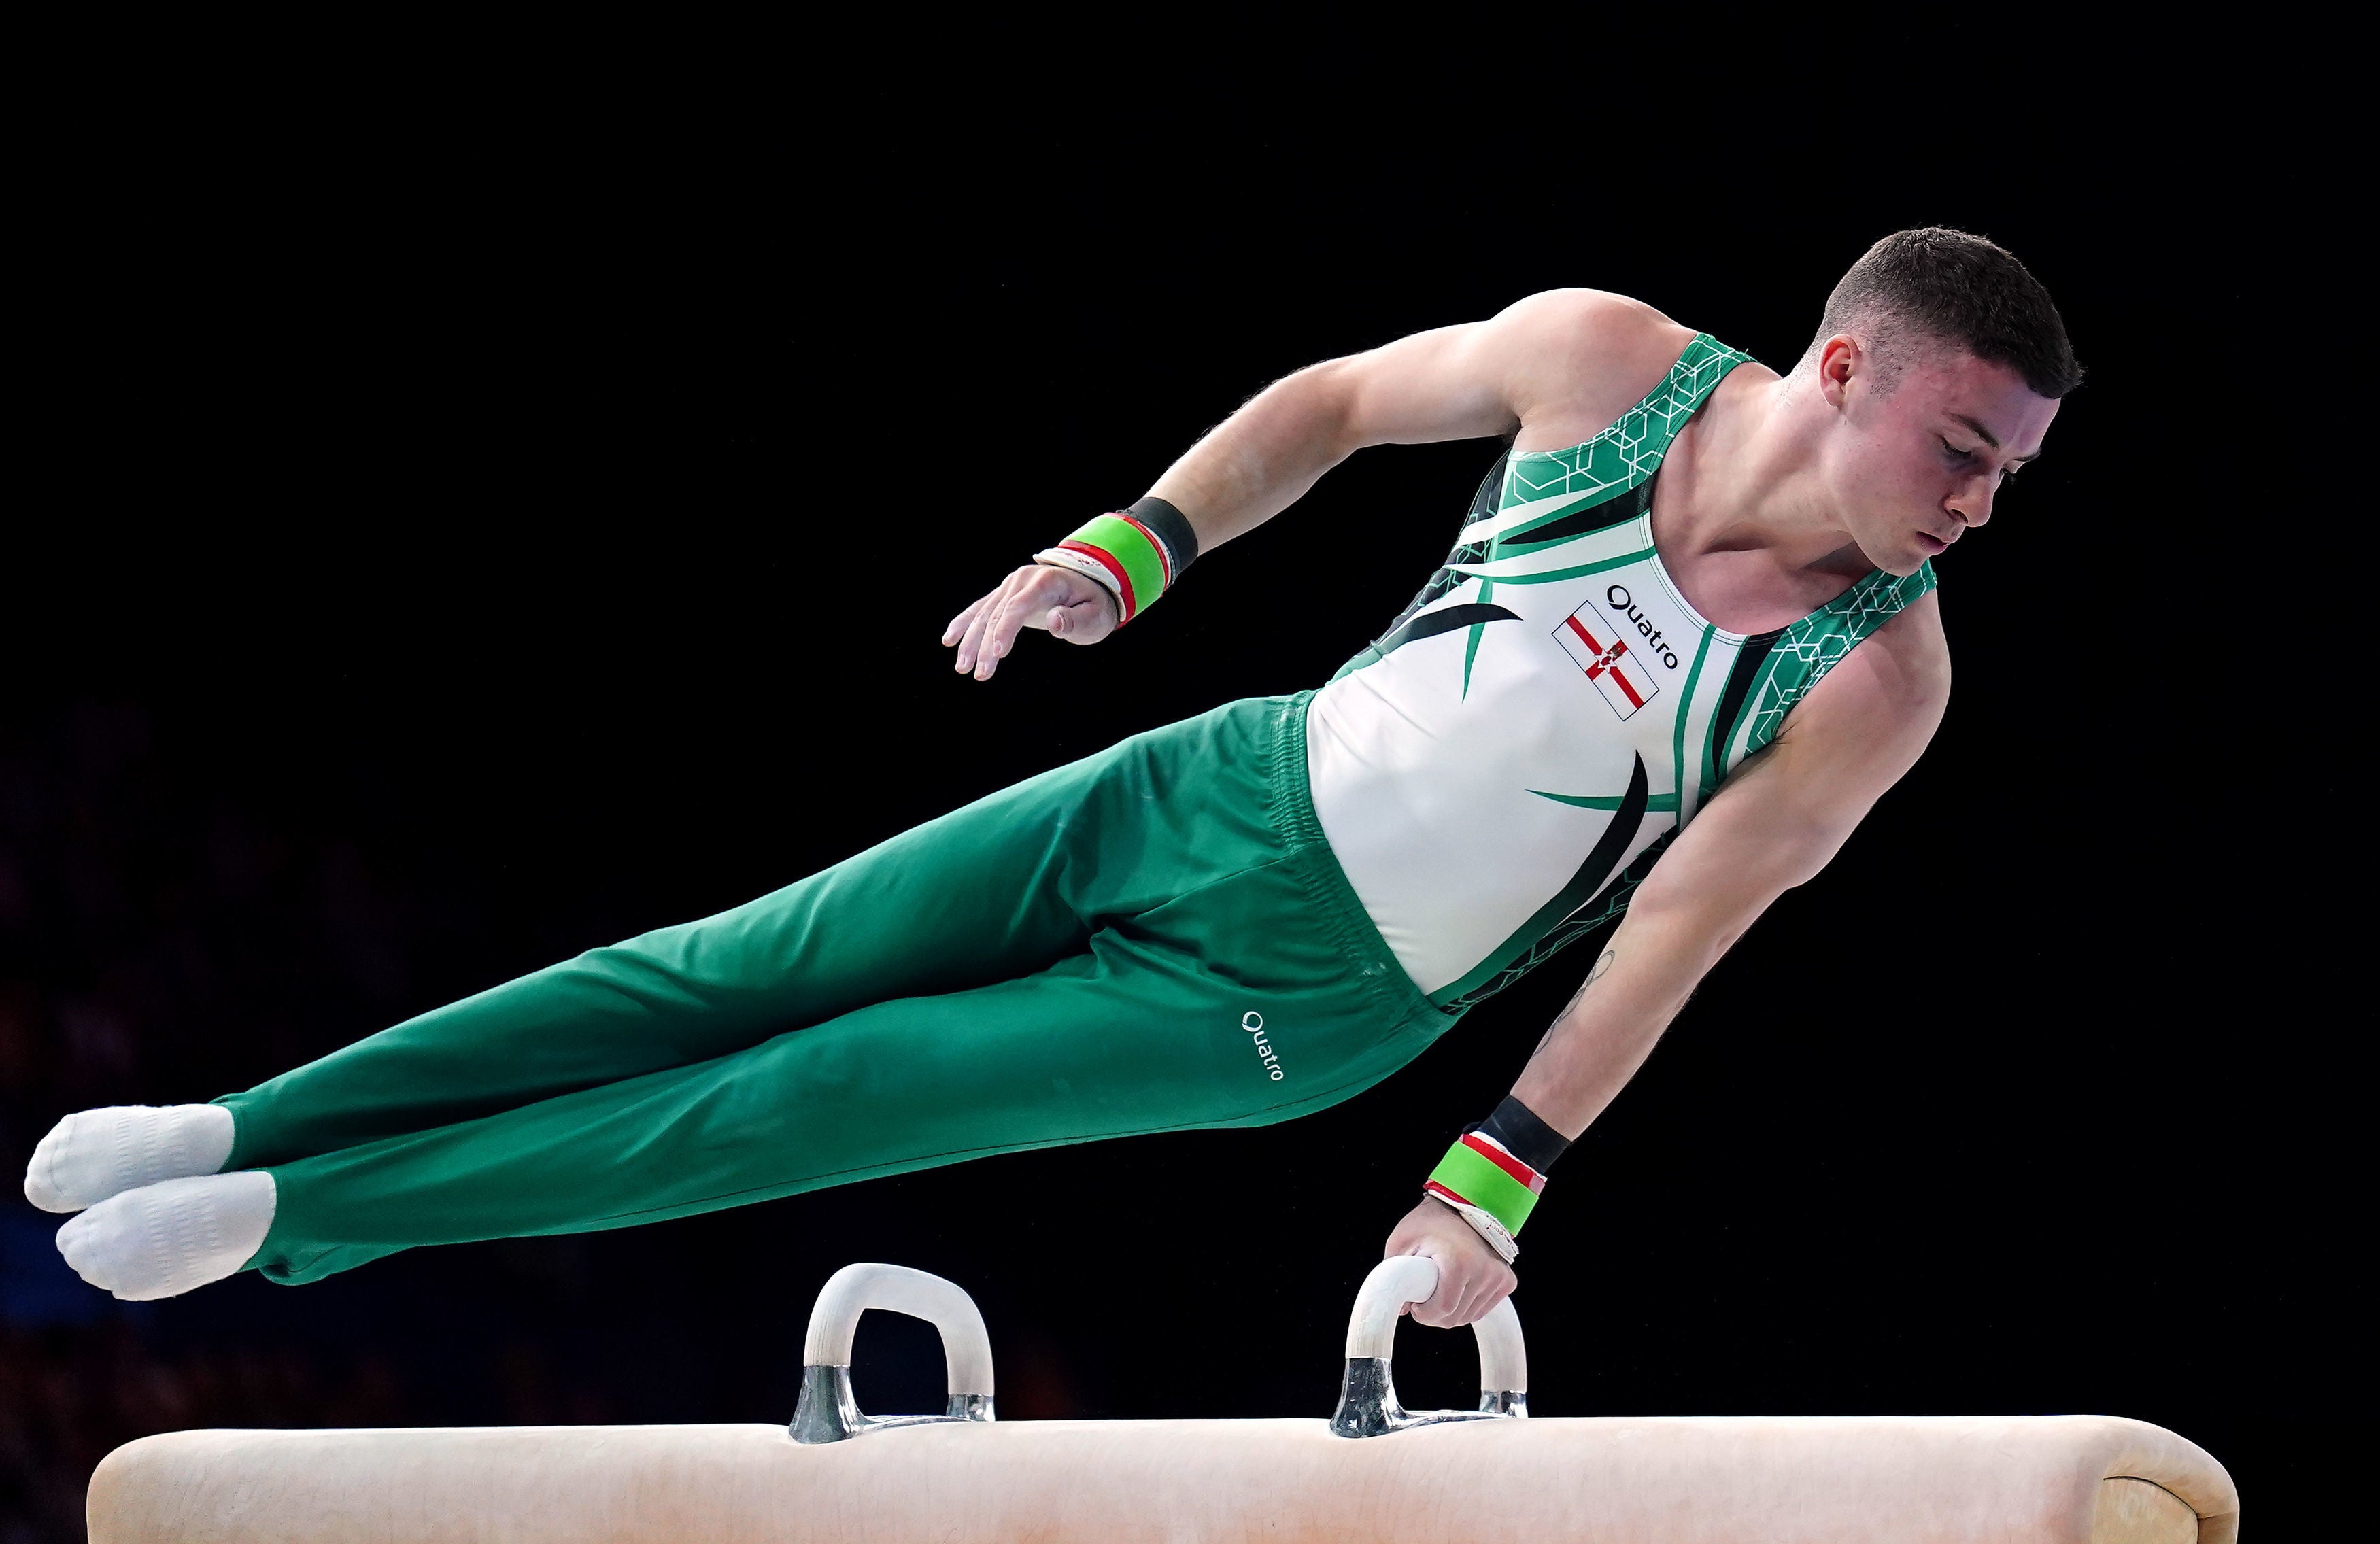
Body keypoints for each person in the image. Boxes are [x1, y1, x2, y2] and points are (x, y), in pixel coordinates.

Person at [29, 228, 2075, 1330]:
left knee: (796, 1103)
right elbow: (1335, 405)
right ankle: (241, 1112)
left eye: (2010, 479)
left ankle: (295, 1210)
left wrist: (1489, 1192)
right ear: (1838, 371)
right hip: (1213, 775)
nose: (1980, 508)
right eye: (1964, 452)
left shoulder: (1872, 683)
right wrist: (1136, 548)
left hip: (1287, 1011)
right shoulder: (1610, 360)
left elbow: (1674, 937)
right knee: (713, 968)